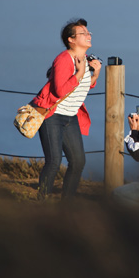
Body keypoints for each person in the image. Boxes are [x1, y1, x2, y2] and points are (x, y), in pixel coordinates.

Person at [31, 18, 102, 200]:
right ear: (71, 39)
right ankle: (43, 200)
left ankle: (67, 204)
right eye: (83, 33)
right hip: (52, 117)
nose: (88, 35)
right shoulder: (64, 59)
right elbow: (60, 90)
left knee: (78, 162)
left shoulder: (84, 60)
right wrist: (79, 72)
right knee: (54, 161)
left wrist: (95, 73)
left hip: (71, 118)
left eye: (88, 32)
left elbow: (83, 87)